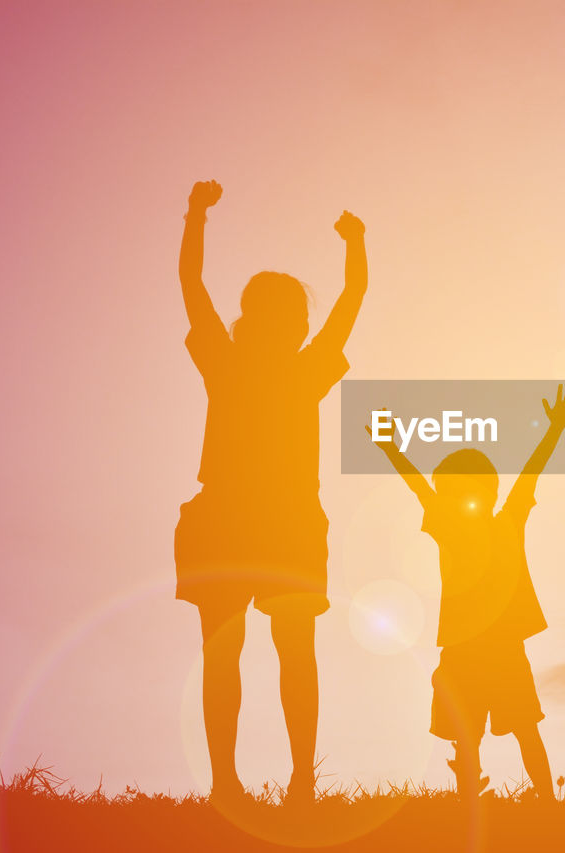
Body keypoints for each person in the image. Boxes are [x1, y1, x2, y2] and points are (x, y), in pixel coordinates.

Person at [173, 179, 367, 807]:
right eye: (287, 313)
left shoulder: (240, 363)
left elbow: (192, 289)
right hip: (255, 519)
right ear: (258, 318)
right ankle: (256, 782)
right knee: (266, 654)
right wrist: (355, 243)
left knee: (261, 655)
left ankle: (282, 781)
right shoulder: (272, 366)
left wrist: (198, 216)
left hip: (257, 519)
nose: (295, 322)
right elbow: (351, 299)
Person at [368, 384, 565, 801]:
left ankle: (544, 802)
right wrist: (388, 447)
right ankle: (520, 803)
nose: (452, 498)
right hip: (476, 649)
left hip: (492, 649)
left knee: (512, 731)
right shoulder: (483, 524)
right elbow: (421, 486)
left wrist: (388, 445)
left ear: (486, 492)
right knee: (477, 737)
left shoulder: (501, 523)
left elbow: (528, 475)